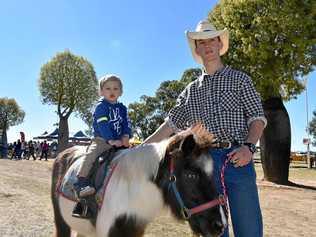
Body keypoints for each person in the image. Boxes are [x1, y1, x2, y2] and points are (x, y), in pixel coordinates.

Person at [144, 20, 267, 237]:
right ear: (197, 49)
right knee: (214, 230)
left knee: (249, 230)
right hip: (205, 166)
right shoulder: (190, 91)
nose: (208, 45)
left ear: (220, 44)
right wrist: (141, 149)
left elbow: (257, 118)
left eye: (212, 40)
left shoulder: (240, 80)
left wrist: (249, 147)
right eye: (202, 42)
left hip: (239, 158)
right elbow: (169, 125)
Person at [74, 74, 132, 199]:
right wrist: (110, 140)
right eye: (108, 88)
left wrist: (126, 135)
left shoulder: (122, 108)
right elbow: (103, 124)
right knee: (91, 155)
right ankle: (80, 183)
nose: (112, 91)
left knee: (133, 158)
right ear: (101, 92)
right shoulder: (101, 107)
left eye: (116, 89)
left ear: (121, 92)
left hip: (120, 142)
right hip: (102, 140)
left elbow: (126, 123)